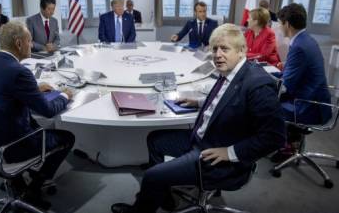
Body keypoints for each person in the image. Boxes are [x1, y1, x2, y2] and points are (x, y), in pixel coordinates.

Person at [111, 23, 286, 213]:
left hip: (215, 153)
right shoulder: (232, 70)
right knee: (154, 140)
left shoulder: (258, 85)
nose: (218, 55)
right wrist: (200, 102)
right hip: (202, 138)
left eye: (225, 48)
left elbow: (275, 137)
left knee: (152, 176)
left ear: (241, 50)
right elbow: (228, 99)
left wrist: (230, 152)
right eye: (215, 49)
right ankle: (163, 194)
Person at [0, 21, 75, 210]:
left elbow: (3, 93)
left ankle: (17, 182)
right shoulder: (19, 71)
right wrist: (65, 95)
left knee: (34, 125)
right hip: (14, 146)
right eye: (29, 41)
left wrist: (34, 90)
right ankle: (32, 189)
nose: (32, 45)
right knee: (67, 138)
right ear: (19, 43)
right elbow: (47, 110)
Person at [271, 3, 331, 162]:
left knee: (267, 102)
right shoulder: (307, 39)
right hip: (318, 100)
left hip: (308, 105)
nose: (278, 27)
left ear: (287, 24)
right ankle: (291, 140)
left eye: (280, 23)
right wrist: (287, 66)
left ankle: (285, 147)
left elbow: (285, 85)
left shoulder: (298, 46)